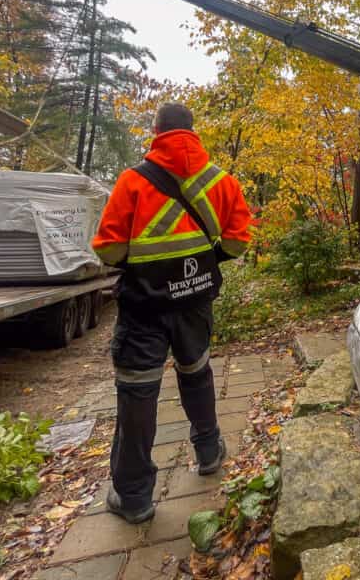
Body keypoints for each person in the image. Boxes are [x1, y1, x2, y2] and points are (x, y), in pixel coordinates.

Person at [91, 102, 251, 523]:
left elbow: (108, 250)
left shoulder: (132, 182)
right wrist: (204, 260)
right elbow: (237, 242)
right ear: (192, 132)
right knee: (196, 372)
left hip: (144, 308)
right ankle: (208, 450)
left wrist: (143, 259)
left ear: (157, 131)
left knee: (138, 391)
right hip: (195, 302)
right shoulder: (222, 182)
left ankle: (134, 496)